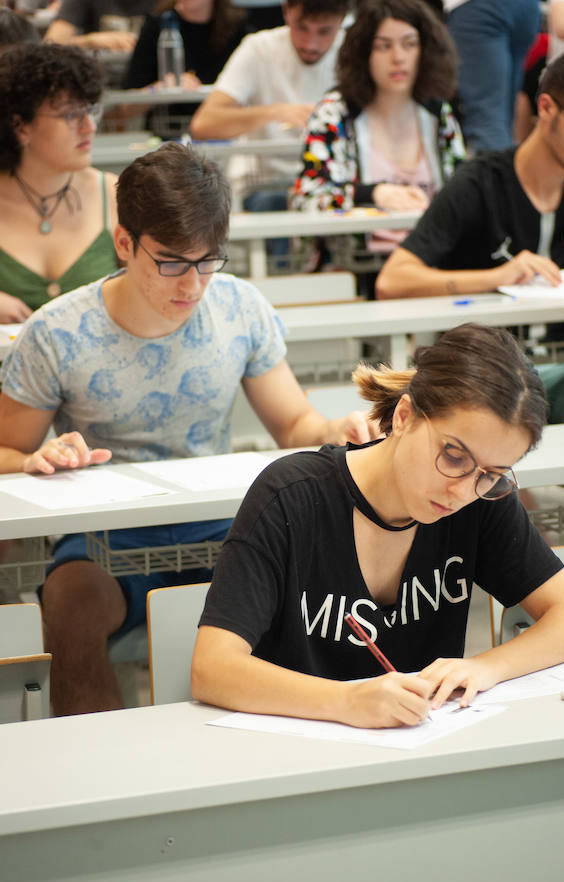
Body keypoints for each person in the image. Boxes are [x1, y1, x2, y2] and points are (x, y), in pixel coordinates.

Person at [0, 142, 378, 717]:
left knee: (311, 585)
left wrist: (338, 429)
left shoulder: (239, 307)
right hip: (106, 533)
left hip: (227, 524)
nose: (193, 285)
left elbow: (293, 423)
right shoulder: (57, 332)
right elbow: (5, 448)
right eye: (172, 262)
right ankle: (104, 778)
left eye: (208, 261)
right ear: (123, 243)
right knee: (70, 606)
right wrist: (35, 459)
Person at [191, 323, 564, 727]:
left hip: (417, 750)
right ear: (404, 416)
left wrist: (485, 667)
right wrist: (346, 701)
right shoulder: (291, 496)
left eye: (491, 474)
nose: (462, 490)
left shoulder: (481, 499)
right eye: (453, 456)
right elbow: (213, 669)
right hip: (295, 751)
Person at [375, 46, 564, 345]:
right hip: (486, 371)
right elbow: (392, 281)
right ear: (546, 107)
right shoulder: (479, 183)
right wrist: (496, 278)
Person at [291, 0, 464, 246]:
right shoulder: (335, 113)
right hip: (357, 267)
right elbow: (305, 198)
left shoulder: (438, 113)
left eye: (409, 44)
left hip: (431, 262)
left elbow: (461, 194)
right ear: (364, 53)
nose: (398, 58)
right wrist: (373, 194)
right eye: (383, 47)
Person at [0, 42, 117, 323]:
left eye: (91, 111)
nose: (89, 127)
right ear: (21, 126)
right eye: (71, 115)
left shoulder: (115, 195)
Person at [189, 0, 351, 203]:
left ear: (342, 21)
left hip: (333, 183)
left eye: (324, 31)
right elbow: (203, 124)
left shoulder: (354, 53)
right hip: (266, 184)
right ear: (286, 12)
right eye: (302, 28)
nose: (311, 43)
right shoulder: (259, 48)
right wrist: (274, 113)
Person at [122, 0, 247, 137]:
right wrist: (158, 88)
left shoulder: (239, 29)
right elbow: (125, 108)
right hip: (166, 139)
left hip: (223, 136)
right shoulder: (158, 25)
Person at [444, 0, 540, 152]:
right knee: (502, 120)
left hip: (480, 8)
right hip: (526, 8)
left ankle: (495, 174)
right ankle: (504, 171)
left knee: (487, 121)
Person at [44, 0, 153, 52]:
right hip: (97, 81)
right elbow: (50, 44)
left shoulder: (165, 3)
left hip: (154, 82)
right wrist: (90, 41)